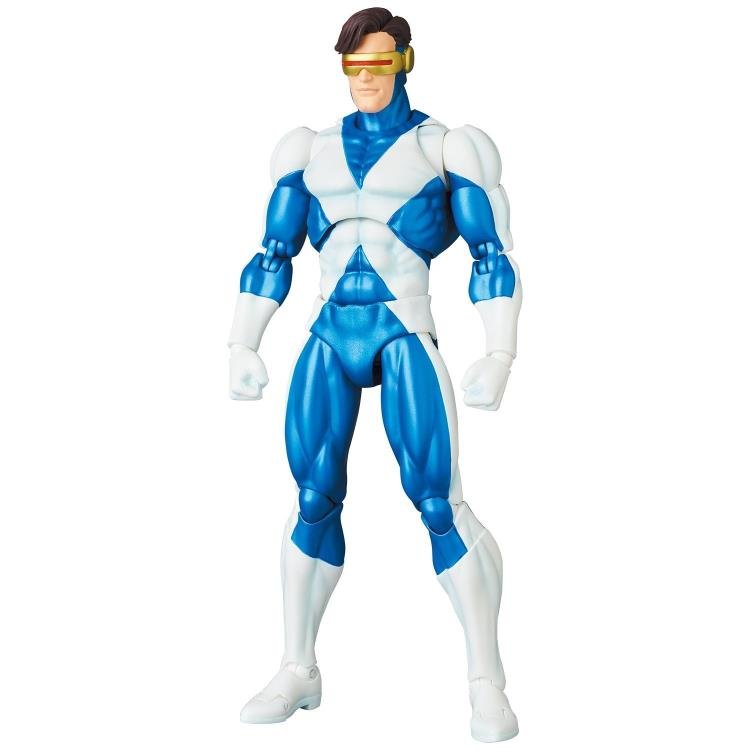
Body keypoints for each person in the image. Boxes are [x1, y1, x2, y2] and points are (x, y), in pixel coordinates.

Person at [228, 7, 522, 742]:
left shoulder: (445, 147)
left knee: (439, 502)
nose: (365, 78)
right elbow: (272, 252)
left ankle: (486, 679)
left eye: (379, 64)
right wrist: (242, 341)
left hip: (402, 327)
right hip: (329, 329)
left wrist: (499, 352)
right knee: (311, 497)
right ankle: (299, 667)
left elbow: (491, 254)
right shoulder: (310, 149)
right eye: (354, 65)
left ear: (405, 63)